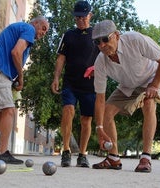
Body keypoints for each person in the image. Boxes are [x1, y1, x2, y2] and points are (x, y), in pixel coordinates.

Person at [91, 20, 160, 173]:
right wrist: (99, 128)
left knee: (148, 104)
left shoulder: (135, 40)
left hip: (150, 77)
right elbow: (100, 99)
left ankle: (146, 157)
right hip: (128, 85)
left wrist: (154, 85)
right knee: (107, 111)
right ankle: (113, 158)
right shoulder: (100, 62)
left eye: (105, 39)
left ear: (117, 35)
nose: (102, 45)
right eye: (97, 42)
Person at [0, 16, 49, 164]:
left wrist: (14, 76)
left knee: (0, 114)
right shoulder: (28, 29)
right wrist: (21, 77)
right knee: (9, 110)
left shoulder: (21, 29)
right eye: (43, 28)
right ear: (35, 23)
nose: (43, 33)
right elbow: (16, 52)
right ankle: (2, 152)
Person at [51, 1, 99, 168]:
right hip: (70, 82)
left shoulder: (97, 35)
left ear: (90, 15)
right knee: (68, 110)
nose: (80, 20)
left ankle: (83, 154)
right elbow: (61, 58)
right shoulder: (68, 35)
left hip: (90, 85)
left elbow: (105, 57)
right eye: (77, 17)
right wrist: (56, 78)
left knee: (86, 119)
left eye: (83, 17)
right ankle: (66, 150)